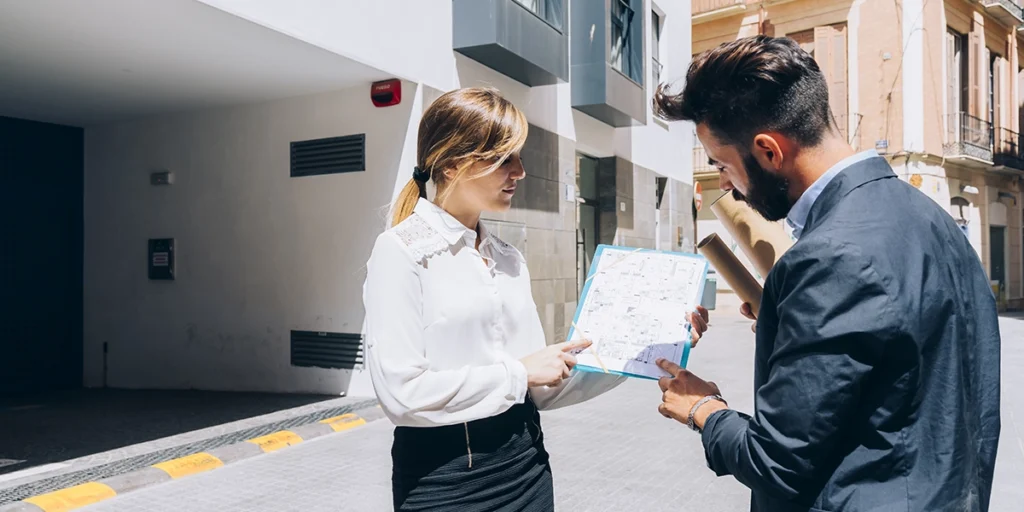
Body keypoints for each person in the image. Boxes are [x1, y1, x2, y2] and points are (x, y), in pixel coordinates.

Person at [651, 35, 1001, 511]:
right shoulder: (933, 216)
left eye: (722, 165)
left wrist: (702, 410)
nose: (725, 185)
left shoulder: (829, 256)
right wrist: (793, 330)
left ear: (769, 151)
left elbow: (777, 461)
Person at [363, 87, 706, 511]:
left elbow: (542, 389)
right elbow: (402, 392)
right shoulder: (401, 251)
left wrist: (649, 347)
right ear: (452, 164)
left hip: (527, 468)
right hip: (445, 483)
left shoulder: (507, 258)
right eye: (505, 158)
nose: (520, 172)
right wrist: (519, 373)